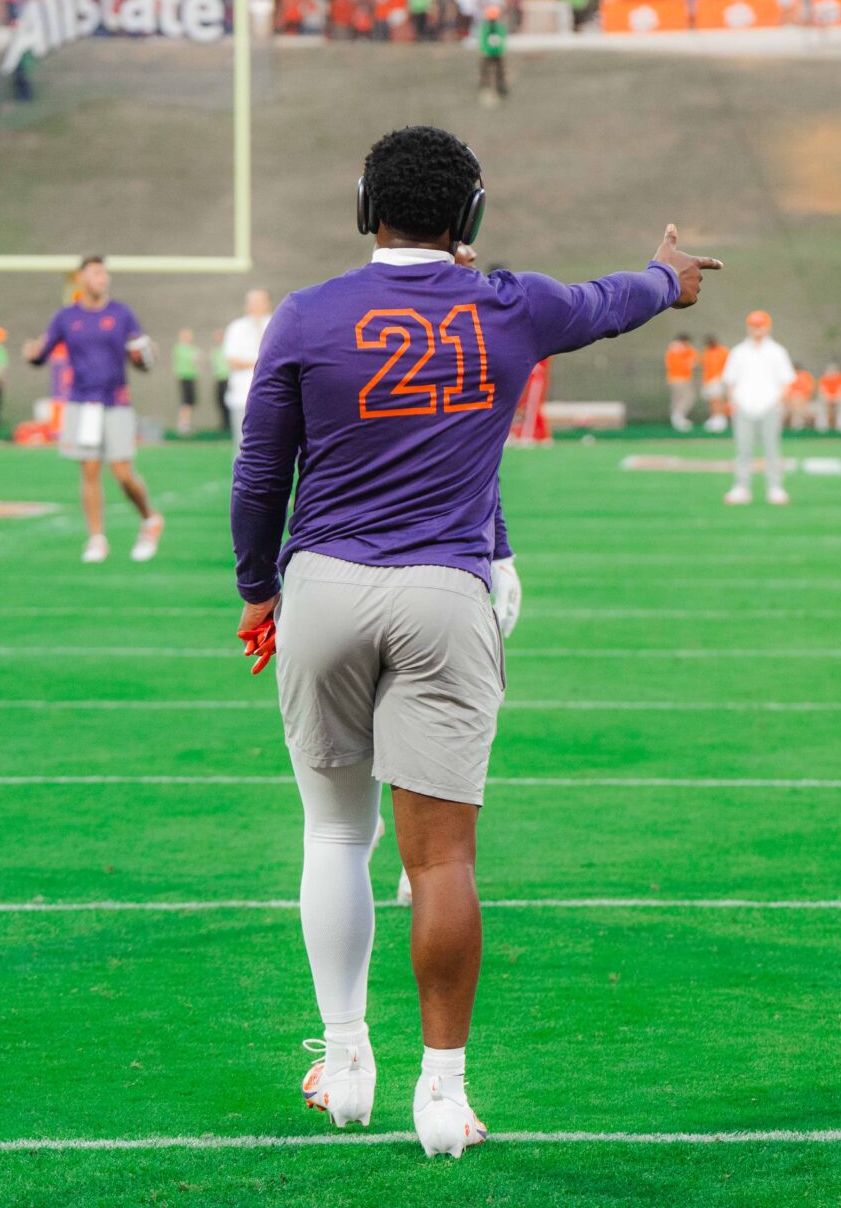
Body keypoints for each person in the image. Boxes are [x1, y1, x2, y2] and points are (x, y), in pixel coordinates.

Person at [230, 125, 716, 1158]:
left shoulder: (306, 314)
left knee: (335, 836)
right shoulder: (510, 305)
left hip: (324, 584)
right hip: (448, 591)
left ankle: (346, 1062)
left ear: (367, 207)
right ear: (471, 215)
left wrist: (255, 591)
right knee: (443, 856)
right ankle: (443, 1095)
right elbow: (612, 299)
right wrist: (667, 277)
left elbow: (261, 473)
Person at [24, 255, 164, 563]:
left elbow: (142, 358)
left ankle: (149, 518)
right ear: (81, 278)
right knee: (89, 471)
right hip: (82, 401)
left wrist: (145, 356)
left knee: (123, 473)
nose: (102, 278)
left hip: (115, 401)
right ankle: (96, 538)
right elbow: (40, 355)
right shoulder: (66, 316)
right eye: (96, 273)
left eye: (104, 273)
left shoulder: (121, 313)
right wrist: (31, 353)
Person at [721, 310, 794, 506]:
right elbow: (730, 381)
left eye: (760, 326)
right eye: (754, 326)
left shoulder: (777, 352)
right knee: (743, 449)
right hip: (744, 406)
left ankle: (775, 488)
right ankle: (741, 488)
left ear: (768, 327)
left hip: (770, 406)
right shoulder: (739, 352)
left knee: (772, 449)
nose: (757, 330)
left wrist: (778, 402)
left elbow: (786, 381)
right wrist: (734, 402)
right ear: (748, 327)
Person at [223, 288, 274, 450]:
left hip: (275, 396)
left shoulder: (278, 325)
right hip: (242, 396)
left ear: (268, 303)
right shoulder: (236, 327)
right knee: (244, 445)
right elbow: (231, 360)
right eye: (252, 302)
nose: (255, 305)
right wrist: (261, 364)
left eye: (259, 301)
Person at [664, 332, 698, 431]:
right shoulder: (684, 349)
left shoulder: (671, 349)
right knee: (688, 398)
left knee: (677, 399)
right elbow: (694, 360)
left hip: (673, 378)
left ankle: (676, 417)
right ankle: (678, 416)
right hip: (682, 377)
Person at [171, 328, 201, 435]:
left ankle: (186, 423)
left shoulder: (192, 348)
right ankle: (183, 425)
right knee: (185, 402)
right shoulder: (179, 348)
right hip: (184, 377)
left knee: (190, 402)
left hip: (192, 377)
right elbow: (194, 358)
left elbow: (199, 358)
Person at [700, 333, 730, 432]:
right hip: (708, 381)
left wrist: (722, 378)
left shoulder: (723, 351)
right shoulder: (707, 352)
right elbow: (704, 365)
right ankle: (714, 417)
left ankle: (720, 419)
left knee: (717, 400)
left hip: (718, 379)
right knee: (711, 401)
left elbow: (728, 365)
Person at [477, 6, 507, 102]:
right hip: (491, 52)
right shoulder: (489, 28)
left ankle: (498, 86)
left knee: (497, 71)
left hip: (494, 52)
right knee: (487, 70)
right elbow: (484, 40)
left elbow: (501, 39)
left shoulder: (496, 27)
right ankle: (487, 86)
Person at [210, 327, 232, 433]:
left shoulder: (229, 349)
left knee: (229, 402)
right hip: (219, 379)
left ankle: (231, 424)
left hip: (228, 379)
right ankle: (224, 424)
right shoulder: (215, 351)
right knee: (220, 402)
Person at [818, 362, 841, 433]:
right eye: (829, 371)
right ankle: (822, 430)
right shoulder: (824, 379)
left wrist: (834, 398)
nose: (831, 373)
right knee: (821, 405)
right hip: (828, 400)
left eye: (833, 371)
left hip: (838, 400)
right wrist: (829, 398)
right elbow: (822, 392)